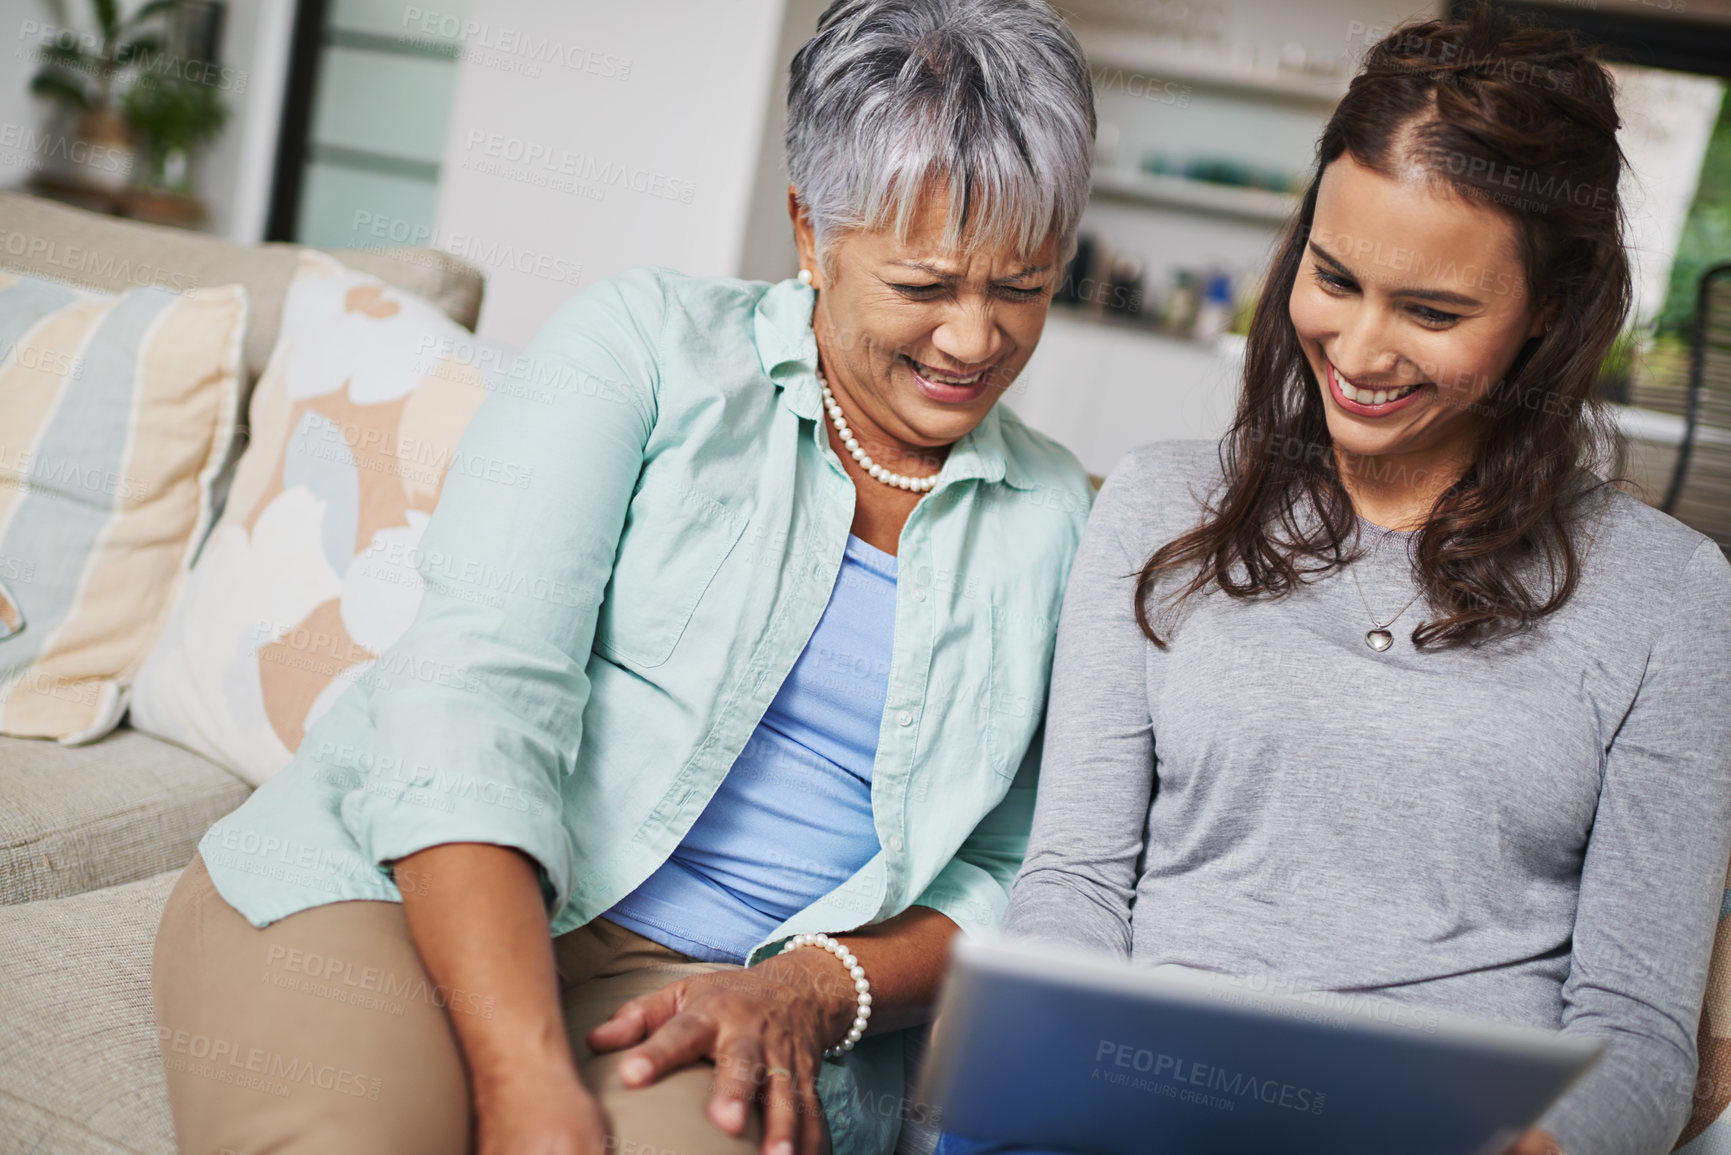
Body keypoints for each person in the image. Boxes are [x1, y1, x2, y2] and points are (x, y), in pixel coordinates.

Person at [150, 3, 1099, 1154]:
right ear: (810, 231)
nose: (972, 340)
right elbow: (474, 699)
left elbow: (1017, 869)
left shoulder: (1061, 524)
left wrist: (816, 985)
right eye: (924, 285)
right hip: (397, 886)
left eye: (1023, 287)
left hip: (711, 991)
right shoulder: (646, 350)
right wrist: (520, 1078)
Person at [939, 8, 1731, 1155]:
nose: (1358, 352)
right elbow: (1073, 883)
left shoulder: (1672, 598)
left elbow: (1639, 1030)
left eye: (1434, 312)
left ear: (1546, 316)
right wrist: (1072, 1080)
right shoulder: (1160, 510)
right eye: (1334, 277)